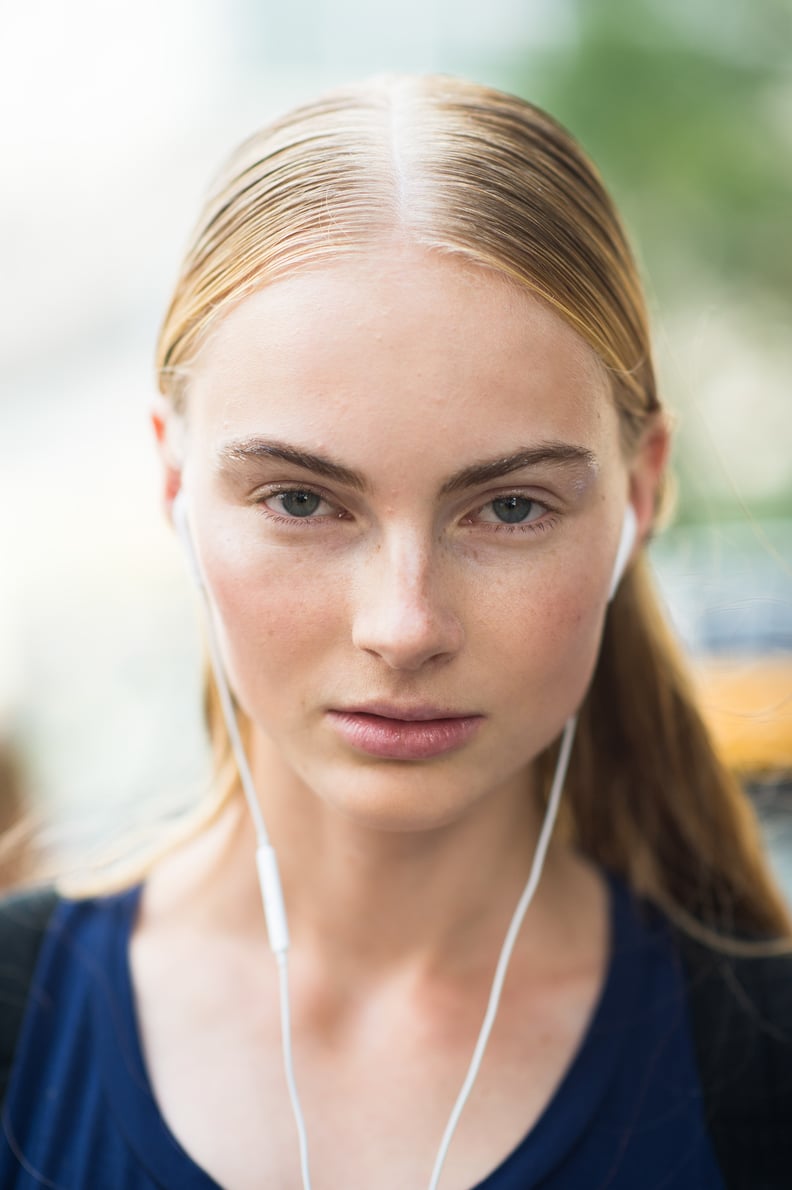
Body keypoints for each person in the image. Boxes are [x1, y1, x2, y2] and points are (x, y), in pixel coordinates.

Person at [1, 74, 791, 1190]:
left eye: (510, 507)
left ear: (641, 491)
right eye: (302, 501)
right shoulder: (16, 1033)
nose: (404, 624)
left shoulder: (763, 1075)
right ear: (174, 476)